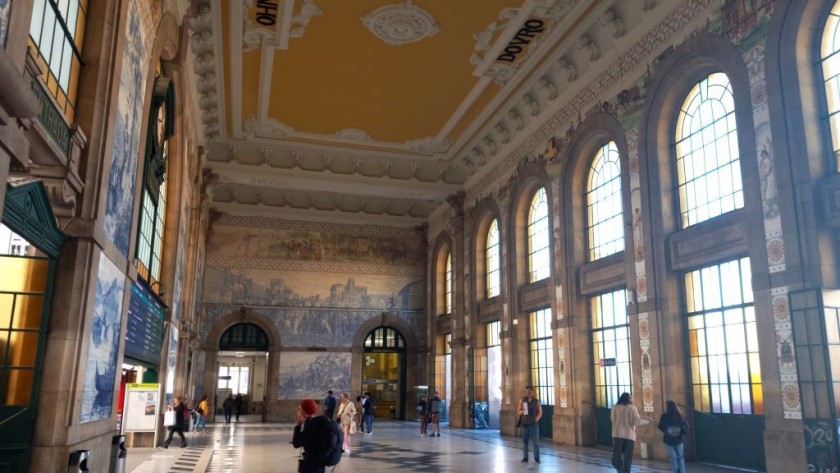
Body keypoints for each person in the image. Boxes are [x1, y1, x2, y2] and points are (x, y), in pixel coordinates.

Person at [611, 392, 649, 473]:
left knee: (616, 458)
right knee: (627, 458)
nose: (632, 399)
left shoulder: (615, 407)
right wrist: (647, 420)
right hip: (629, 436)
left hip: (617, 434)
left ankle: (621, 470)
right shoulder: (632, 408)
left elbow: (612, 419)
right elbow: (637, 421)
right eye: (630, 398)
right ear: (628, 399)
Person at [292, 399, 328, 473]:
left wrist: (297, 426)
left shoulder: (311, 425)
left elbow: (296, 443)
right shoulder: (316, 421)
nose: (298, 411)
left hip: (311, 465)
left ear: (304, 411)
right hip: (320, 463)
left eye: (300, 409)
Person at [658, 400, 689, 473]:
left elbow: (660, 426)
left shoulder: (664, 416)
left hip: (668, 440)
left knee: (673, 458)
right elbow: (685, 428)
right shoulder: (680, 416)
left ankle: (676, 471)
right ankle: (682, 471)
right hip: (679, 440)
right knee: (680, 457)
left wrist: (667, 431)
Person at [517, 386, 541, 462]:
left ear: (533, 393)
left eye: (530, 392)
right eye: (527, 392)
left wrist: (536, 419)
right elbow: (518, 410)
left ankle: (537, 458)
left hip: (533, 424)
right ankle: (525, 458)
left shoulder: (536, 401)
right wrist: (522, 412)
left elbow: (539, 412)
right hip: (525, 424)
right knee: (525, 442)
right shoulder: (522, 400)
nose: (528, 393)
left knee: (535, 442)